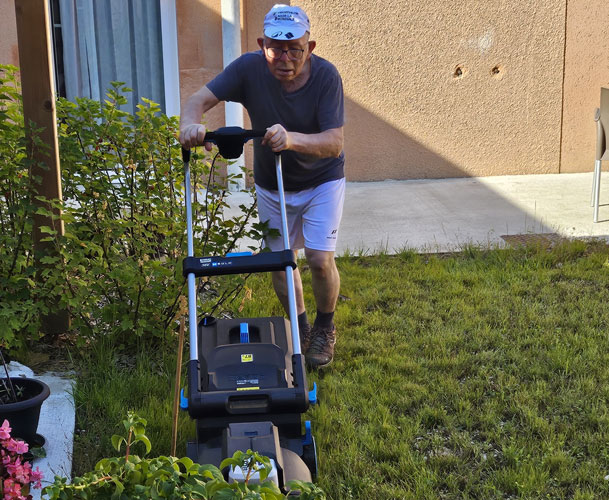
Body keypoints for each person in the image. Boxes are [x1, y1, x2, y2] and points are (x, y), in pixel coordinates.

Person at [179, 4, 345, 368]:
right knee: (282, 263)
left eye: (295, 49)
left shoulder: (327, 78)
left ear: (310, 47)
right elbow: (197, 101)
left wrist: (292, 139)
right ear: (262, 45)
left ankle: (325, 326)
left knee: (318, 260)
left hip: (322, 180)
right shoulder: (248, 68)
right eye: (275, 48)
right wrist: (191, 126)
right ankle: (299, 330)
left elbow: (334, 142)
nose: (285, 57)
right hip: (273, 184)